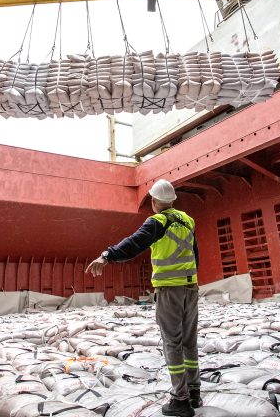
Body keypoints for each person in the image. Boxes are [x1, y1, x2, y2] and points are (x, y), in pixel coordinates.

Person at [85, 179, 200, 417]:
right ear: (173, 200)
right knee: (189, 341)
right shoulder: (188, 220)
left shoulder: (157, 221)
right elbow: (195, 254)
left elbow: (133, 244)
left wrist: (107, 256)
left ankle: (180, 400)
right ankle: (194, 392)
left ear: (155, 201)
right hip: (191, 288)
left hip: (170, 290)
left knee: (172, 343)